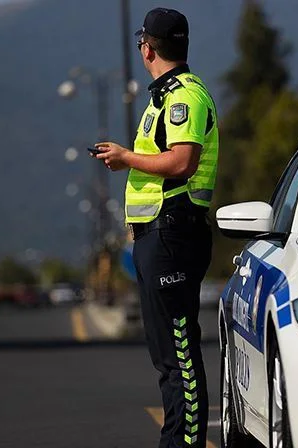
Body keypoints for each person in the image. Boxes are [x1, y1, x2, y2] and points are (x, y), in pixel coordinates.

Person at [92, 7, 218, 448]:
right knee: (167, 356)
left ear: (147, 48)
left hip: (173, 234)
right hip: (157, 235)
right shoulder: (163, 98)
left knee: (179, 356)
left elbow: (183, 162)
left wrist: (126, 158)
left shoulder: (184, 95)